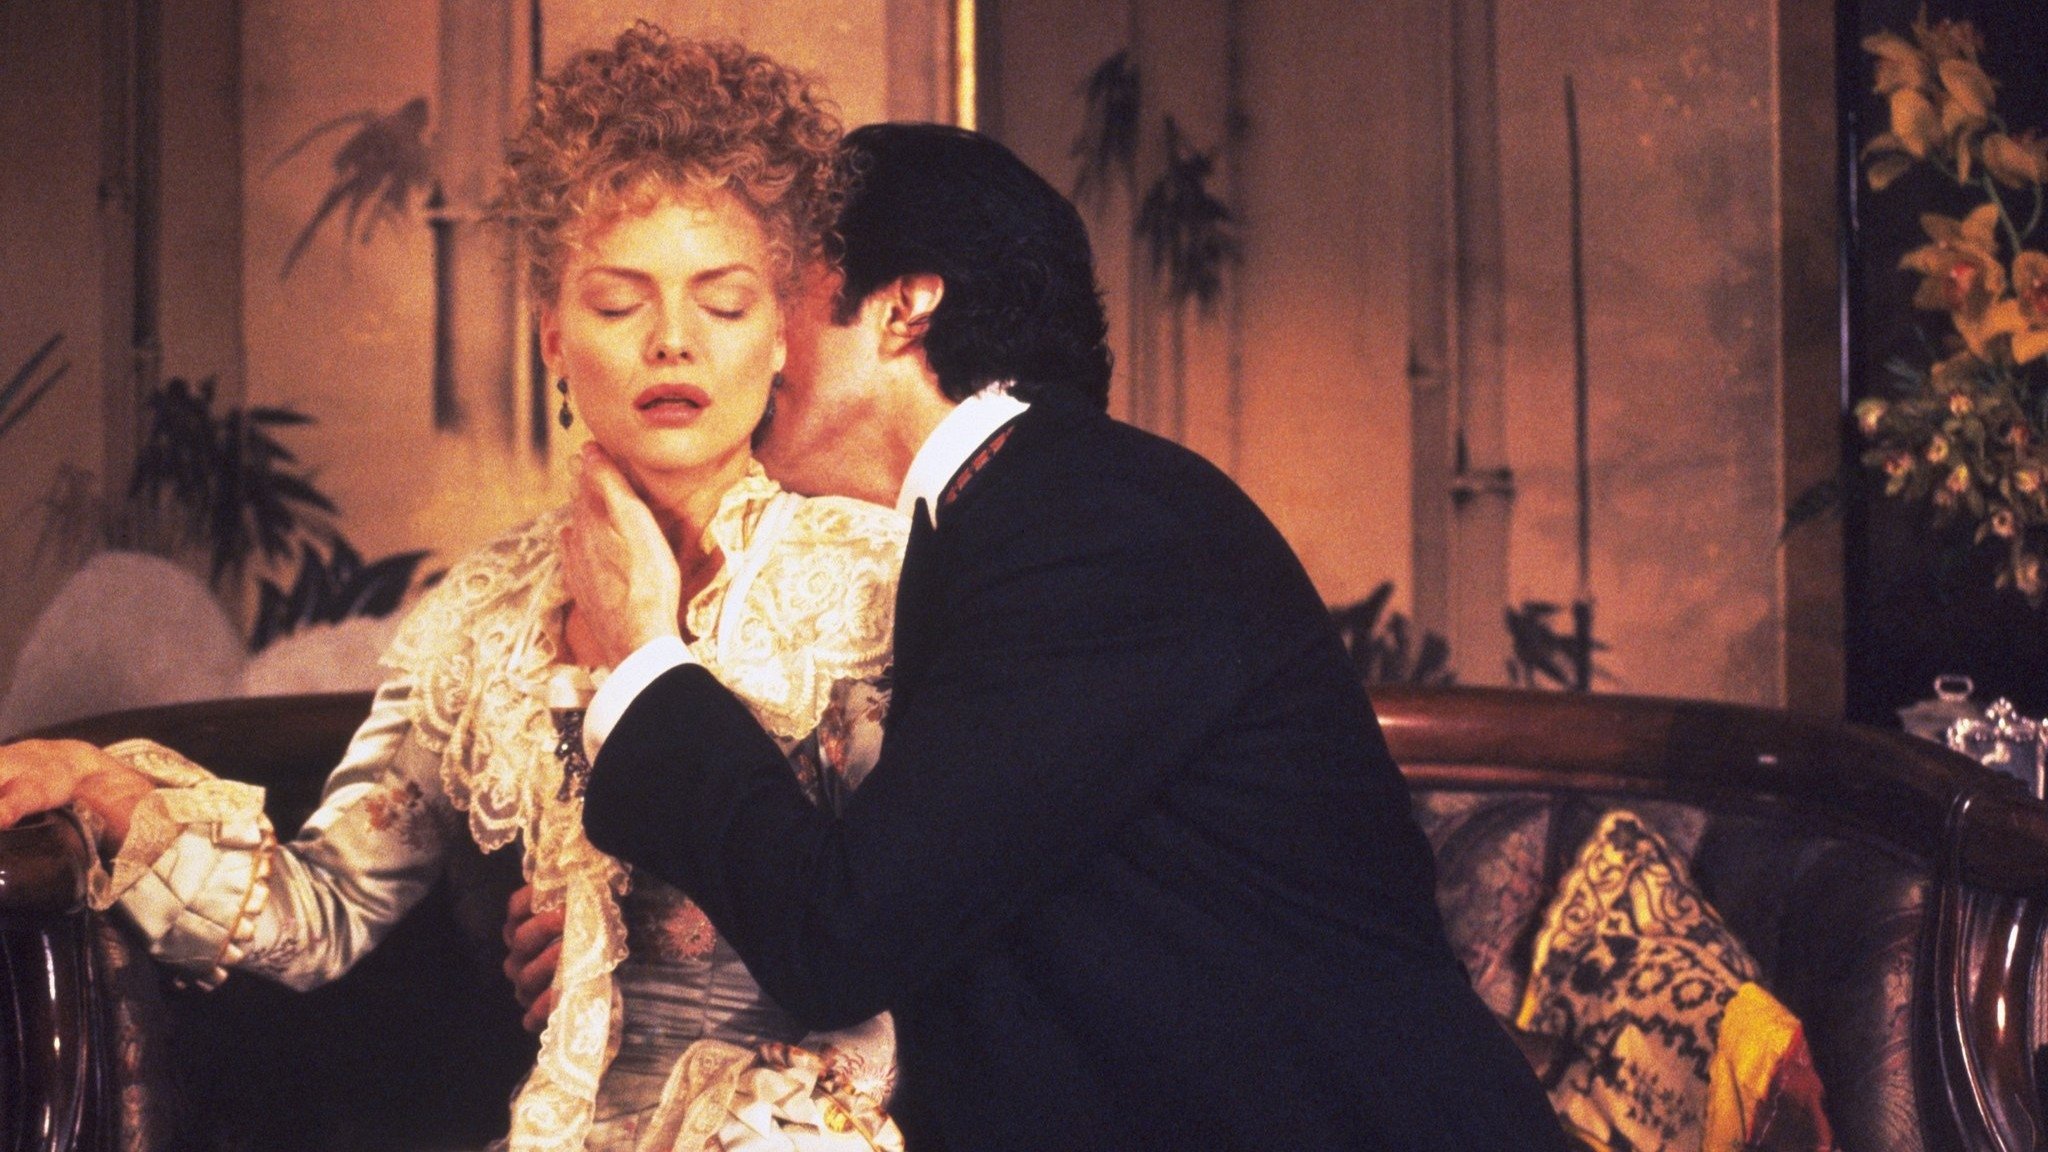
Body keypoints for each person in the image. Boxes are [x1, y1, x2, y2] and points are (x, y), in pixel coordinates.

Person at [559, 123, 1572, 1149]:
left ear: (904, 307)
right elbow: (930, 906)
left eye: (785, 292)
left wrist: (641, 645)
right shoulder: (1010, 514)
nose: (763, 344)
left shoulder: (1090, 525)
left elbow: (844, 934)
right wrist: (610, 954)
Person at [0, 27, 907, 1152]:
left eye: (722, 305)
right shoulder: (482, 618)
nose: (672, 342)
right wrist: (98, 785)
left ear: (779, 338)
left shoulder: (872, 583)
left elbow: (937, 913)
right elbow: (320, 918)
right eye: (618, 304)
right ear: (552, 336)